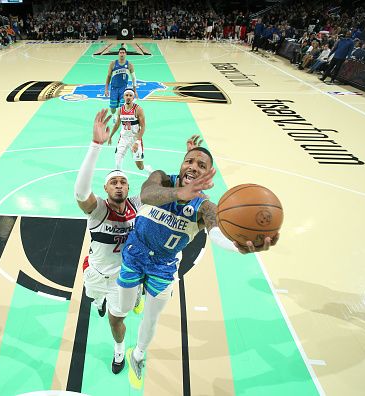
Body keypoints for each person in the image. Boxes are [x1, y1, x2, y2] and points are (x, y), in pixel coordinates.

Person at [116, 143, 279, 389]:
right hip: (134, 253)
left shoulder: (206, 208)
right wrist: (179, 194)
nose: (193, 166)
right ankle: (137, 294)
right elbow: (148, 194)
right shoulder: (161, 179)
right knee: (125, 306)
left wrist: (240, 246)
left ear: (208, 174)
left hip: (163, 265)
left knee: (151, 319)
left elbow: (216, 235)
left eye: (201, 165)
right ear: (182, 164)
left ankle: (137, 355)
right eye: (189, 161)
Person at [74, 109, 144, 375]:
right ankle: (99, 301)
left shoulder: (137, 204)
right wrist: (95, 146)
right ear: (106, 188)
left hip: (123, 280)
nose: (118, 185)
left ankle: (118, 351)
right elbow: (80, 192)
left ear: (128, 189)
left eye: (122, 182)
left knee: (116, 321)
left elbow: (161, 192)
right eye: (113, 182)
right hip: (94, 272)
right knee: (94, 298)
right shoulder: (99, 209)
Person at [107, 88, 153, 173]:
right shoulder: (120, 110)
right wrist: (110, 136)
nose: (128, 97)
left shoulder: (138, 109)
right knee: (118, 161)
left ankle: (148, 169)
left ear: (133, 97)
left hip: (134, 138)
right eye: (126, 95)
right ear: (123, 97)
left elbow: (143, 127)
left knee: (140, 166)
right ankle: (119, 178)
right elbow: (117, 124)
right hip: (123, 138)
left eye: (130, 95)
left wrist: (137, 142)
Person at [104, 47, 137, 125]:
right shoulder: (112, 64)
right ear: (118, 54)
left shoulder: (129, 65)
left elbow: (134, 78)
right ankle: (113, 116)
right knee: (113, 107)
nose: (122, 54)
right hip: (114, 88)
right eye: (120, 52)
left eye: (123, 52)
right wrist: (106, 89)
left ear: (126, 54)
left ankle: (122, 119)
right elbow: (108, 76)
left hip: (123, 89)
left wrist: (135, 91)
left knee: (123, 106)